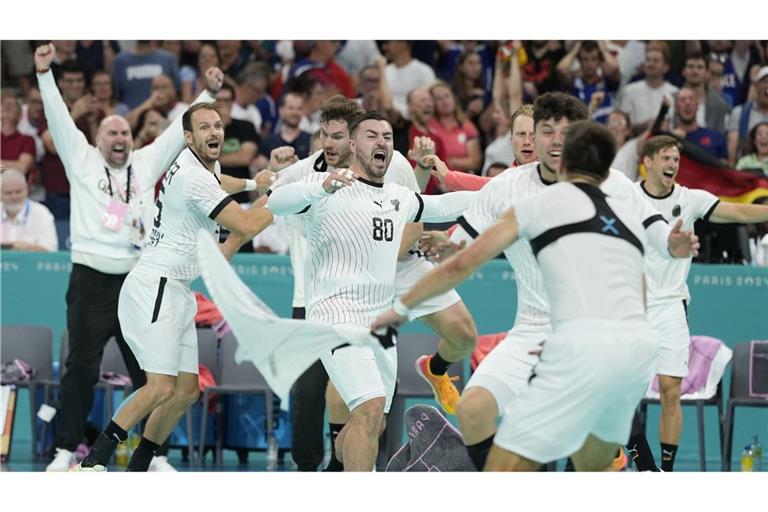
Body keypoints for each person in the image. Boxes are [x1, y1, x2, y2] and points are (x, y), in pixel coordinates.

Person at [372, 120, 700, 472]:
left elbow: (458, 266)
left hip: (585, 346)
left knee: (523, 459)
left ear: (567, 160)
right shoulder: (610, 203)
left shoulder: (561, 202)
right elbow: (644, 277)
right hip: (615, 350)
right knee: (583, 459)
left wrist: (401, 308)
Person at [33, 43, 250, 472]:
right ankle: (65, 449)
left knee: (154, 372)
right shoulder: (81, 161)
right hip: (92, 277)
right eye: (111, 133)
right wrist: (44, 75)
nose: (119, 139)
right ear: (97, 139)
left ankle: (154, 456)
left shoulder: (145, 164)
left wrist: (205, 94)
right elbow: (59, 121)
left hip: (140, 277)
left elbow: (177, 132)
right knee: (81, 365)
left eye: (125, 134)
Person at [264, 97, 476, 471]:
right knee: (369, 407)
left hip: (379, 322)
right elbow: (276, 201)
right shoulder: (324, 184)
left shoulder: (397, 196)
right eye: (371, 135)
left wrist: (502, 194)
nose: (381, 141)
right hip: (336, 316)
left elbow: (445, 207)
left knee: (371, 420)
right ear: (352, 145)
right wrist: (320, 189)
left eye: (387, 136)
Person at [72, 103, 273, 471]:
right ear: (188, 136)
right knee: (161, 386)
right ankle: (93, 463)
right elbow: (244, 226)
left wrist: (250, 184)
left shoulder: (198, 166)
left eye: (218, 125)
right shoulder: (195, 177)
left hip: (177, 289)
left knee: (185, 391)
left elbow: (220, 184)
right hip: (157, 285)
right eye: (205, 127)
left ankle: (140, 465)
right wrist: (285, 197)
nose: (214, 132)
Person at [632, 134, 768, 471]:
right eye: (665, 158)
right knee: (618, 395)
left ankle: (664, 470)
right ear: (647, 161)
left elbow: (735, 211)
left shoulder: (690, 199)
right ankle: (642, 465)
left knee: (670, 390)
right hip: (629, 307)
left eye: (676, 160)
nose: (672, 165)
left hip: (671, 305)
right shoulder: (627, 198)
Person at [1, 168, 58, 251]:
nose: (14, 197)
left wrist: (23, 247)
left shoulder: (42, 213)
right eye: (8, 193)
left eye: (18, 192)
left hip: (31, 263)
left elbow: (51, 250)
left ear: (26, 190)